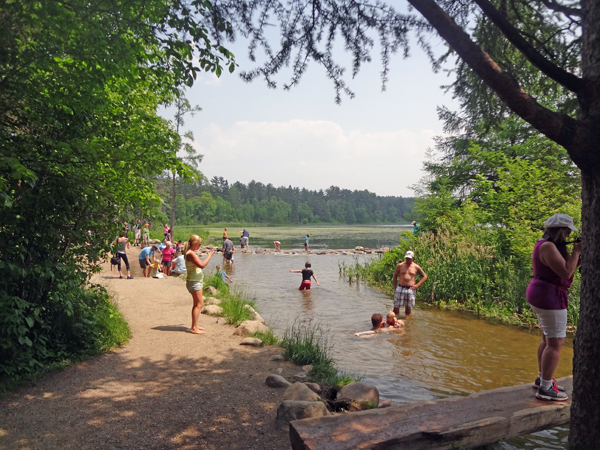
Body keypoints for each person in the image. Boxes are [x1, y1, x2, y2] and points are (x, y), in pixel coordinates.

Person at [526, 214, 581, 402]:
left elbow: (566, 267)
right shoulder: (548, 247)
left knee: (548, 339)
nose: (568, 234)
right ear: (560, 231)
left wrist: (577, 255)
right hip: (549, 296)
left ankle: (542, 379)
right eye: (567, 231)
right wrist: (577, 252)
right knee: (556, 342)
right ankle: (546, 388)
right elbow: (566, 272)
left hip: (543, 293)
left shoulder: (545, 243)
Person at [184, 235, 215, 334]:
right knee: (199, 304)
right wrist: (209, 256)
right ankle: (194, 328)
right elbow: (201, 265)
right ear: (194, 244)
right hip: (194, 282)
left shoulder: (189, 252)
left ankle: (195, 325)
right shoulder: (191, 254)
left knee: (196, 304)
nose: (200, 246)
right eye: (199, 244)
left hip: (195, 281)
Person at [392, 250, 427, 316]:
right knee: (396, 306)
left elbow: (424, 276)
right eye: (407, 258)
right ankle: (394, 320)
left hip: (410, 289)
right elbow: (395, 276)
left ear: (412, 258)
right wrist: (395, 287)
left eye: (409, 258)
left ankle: (407, 322)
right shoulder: (400, 265)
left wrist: (417, 285)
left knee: (408, 308)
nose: (408, 259)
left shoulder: (416, 267)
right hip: (400, 287)